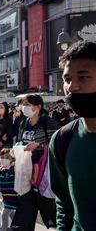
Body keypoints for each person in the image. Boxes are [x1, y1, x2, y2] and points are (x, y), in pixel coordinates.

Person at [49, 40, 96, 230]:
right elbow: (64, 203)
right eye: (67, 79)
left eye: (83, 77)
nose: (72, 86)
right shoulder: (62, 139)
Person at [11, 94, 60, 230]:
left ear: (38, 107)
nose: (24, 107)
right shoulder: (24, 123)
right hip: (26, 170)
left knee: (47, 204)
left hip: (43, 171)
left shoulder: (48, 123)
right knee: (26, 205)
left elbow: (57, 146)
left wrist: (38, 146)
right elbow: (21, 141)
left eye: (27, 104)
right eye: (23, 104)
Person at [0, 148, 18, 231]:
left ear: (13, 159)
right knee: (11, 213)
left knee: (4, 214)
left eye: (7, 158)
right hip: (6, 197)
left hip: (14, 197)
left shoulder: (14, 169)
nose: (4, 159)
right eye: (2, 157)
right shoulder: (0, 171)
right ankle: (17, 226)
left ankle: (3, 229)